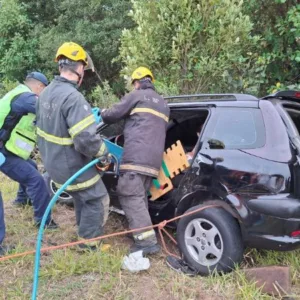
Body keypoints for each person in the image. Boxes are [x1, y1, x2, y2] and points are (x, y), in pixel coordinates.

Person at [36, 42, 110, 249]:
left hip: (53, 163)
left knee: (81, 197)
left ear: (61, 65)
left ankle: (82, 230)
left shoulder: (46, 92)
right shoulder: (73, 98)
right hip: (72, 164)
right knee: (96, 198)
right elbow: (86, 139)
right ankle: (88, 245)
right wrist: (104, 154)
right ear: (79, 68)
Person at [101, 66, 170, 254]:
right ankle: (143, 234)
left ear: (137, 82)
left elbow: (111, 116)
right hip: (154, 162)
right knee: (139, 198)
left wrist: (102, 111)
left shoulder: (137, 96)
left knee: (129, 195)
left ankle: (146, 243)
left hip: (135, 159)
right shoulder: (163, 103)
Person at [0, 72, 57, 229]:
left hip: (6, 148)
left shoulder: (18, 93)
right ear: (39, 86)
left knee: (30, 167)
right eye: (45, 90)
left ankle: (21, 199)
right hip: (2, 151)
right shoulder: (27, 97)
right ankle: (44, 222)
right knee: (36, 181)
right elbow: (49, 112)